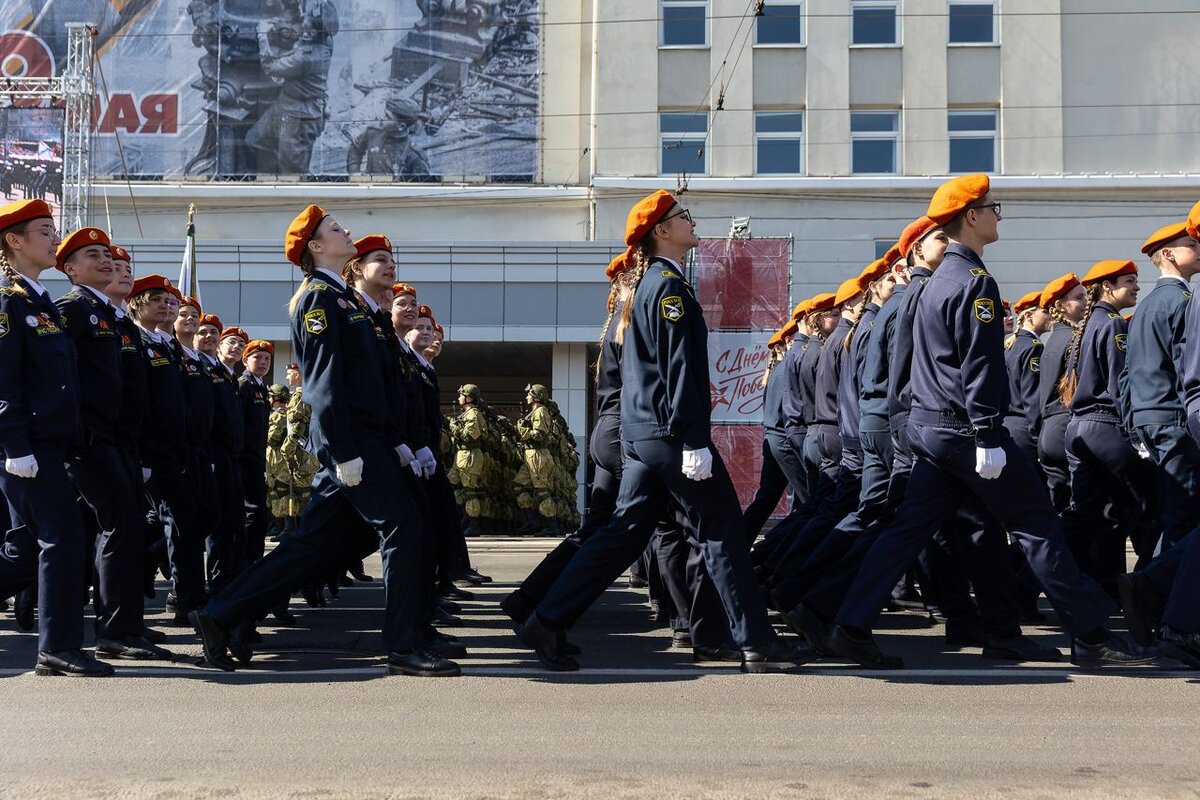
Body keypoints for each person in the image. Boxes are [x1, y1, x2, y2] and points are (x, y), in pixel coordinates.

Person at [826, 174, 1152, 669]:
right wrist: (986, 433)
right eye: (992, 207)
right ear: (971, 216)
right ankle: (1090, 634)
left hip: (933, 428)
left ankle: (856, 626)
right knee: (1037, 525)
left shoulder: (938, 281)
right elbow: (976, 365)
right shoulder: (975, 283)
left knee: (911, 532)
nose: (998, 214)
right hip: (964, 430)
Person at [514, 190, 810, 673]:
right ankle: (756, 642)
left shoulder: (652, 285)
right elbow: (678, 370)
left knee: (624, 533)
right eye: (683, 217)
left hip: (644, 434)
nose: (692, 223)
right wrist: (693, 440)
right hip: (671, 435)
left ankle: (547, 619)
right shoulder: (668, 288)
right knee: (722, 532)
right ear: (662, 231)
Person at [192, 205, 457, 676]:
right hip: (351, 441)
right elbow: (322, 382)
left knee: (314, 546)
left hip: (369, 438)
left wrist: (396, 440)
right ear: (316, 247)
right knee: (405, 526)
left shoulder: (349, 302)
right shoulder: (319, 299)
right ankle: (403, 644)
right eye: (335, 229)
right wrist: (343, 449)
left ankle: (218, 614)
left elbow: (375, 385)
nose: (346, 231)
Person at [0, 200, 112, 676]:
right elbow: (4, 380)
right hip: (26, 445)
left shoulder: (39, 301)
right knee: (62, 537)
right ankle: (58, 646)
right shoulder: (8, 300)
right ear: (15, 241)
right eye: (45, 231)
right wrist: (15, 445)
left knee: (29, 547)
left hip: (51, 443)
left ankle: (59, 643)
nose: (53, 237)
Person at [55, 227, 166, 661]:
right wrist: (77, 433)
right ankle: (115, 630)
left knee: (127, 528)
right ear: (69, 268)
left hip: (120, 441)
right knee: (115, 526)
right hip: (91, 439)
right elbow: (61, 376)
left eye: (108, 254)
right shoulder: (73, 310)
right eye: (93, 255)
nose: (105, 261)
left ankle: (125, 628)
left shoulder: (114, 317)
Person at [1057, 260, 1150, 597]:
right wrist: (1137, 436)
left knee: (1089, 517)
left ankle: (1035, 577)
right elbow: (1119, 385)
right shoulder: (1112, 324)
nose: (1137, 286)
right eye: (1129, 281)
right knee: (1146, 511)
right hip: (1107, 428)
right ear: (1107, 287)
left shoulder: (1088, 324)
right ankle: (1147, 591)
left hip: (1080, 428)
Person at [1126, 219, 1200, 550]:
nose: (1199, 250)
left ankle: (1150, 586)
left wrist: (1133, 428)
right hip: (1175, 417)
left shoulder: (1145, 307)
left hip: (1149, 418)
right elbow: (1188, 367)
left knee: (1175, 512)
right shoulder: (1182, 301)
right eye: (1193, 246)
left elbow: (1126, 375)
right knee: (1184, 515)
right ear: (1169, 254)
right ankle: (1153, 589)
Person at [196, 313, 246, 594]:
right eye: (203, 332)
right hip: (211, 454)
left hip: (230, 456)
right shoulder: (197, 366)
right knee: (215, 524)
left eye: (214, 332)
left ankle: (228, 579)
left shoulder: (223, 373)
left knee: (231, 523)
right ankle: (216, 584)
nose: (209, 337)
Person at [1036, 274, 1088, 511]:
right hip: (1068, 428)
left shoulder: (1049, 343)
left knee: (1060, 509)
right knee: (1085, 510)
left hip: (1048, 431)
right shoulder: (1076, 340)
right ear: (1060, 306)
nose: (1086, 302)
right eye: (1079, 298)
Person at [239, 339, 274, 565]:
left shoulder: (261, 386)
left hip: (258, 460)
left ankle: (253, 561)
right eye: (257, 357)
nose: (262, 362)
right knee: (253, 514)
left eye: (267, 358)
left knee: (260, 515)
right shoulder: (244, 385)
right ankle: (249, 563)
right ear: (245, 360)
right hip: (245, 460)